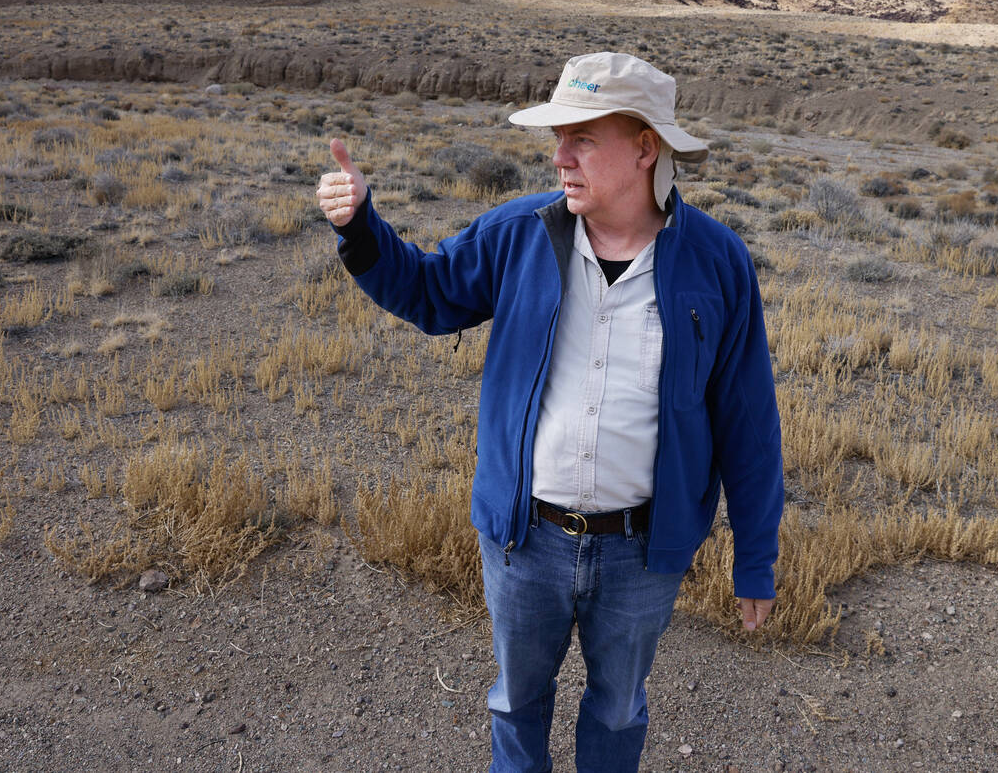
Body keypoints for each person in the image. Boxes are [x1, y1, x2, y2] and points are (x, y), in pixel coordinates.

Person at [316, 52, 783, 773]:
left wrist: (755, 559)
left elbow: (747, 421)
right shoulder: (520, 232)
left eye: (584, 140)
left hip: (642, 553)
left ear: (645, 148)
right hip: (524, 541)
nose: (560, 158)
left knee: (618, 709)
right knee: (515, 703)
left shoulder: (717, 262)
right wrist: (363, 228)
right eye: (557, 139)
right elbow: (431, 294)